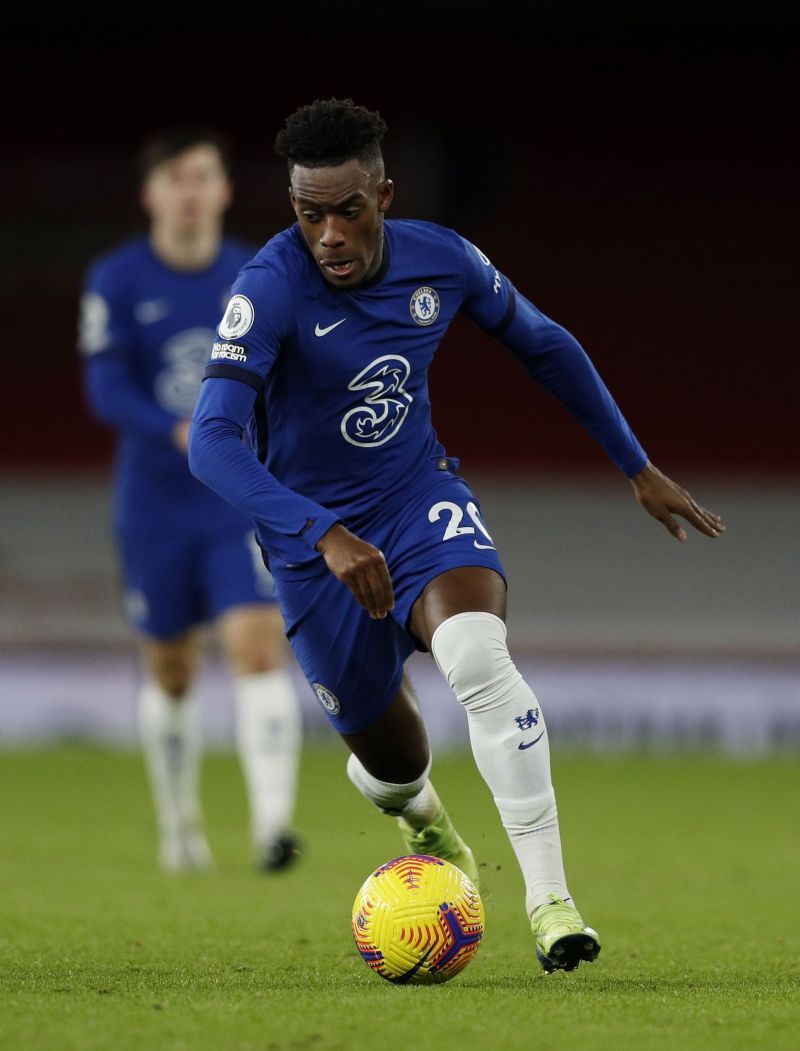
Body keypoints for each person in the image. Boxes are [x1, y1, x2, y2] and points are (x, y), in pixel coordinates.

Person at [188, 99, 725, 972]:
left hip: (414, 500)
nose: (327, 233)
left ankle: (552, 901)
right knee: (391, 762)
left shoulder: (443, 258)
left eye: (346, 210)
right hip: (310, 544)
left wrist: (637, 464)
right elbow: (211, 443)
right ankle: (425, 822)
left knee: (477, 653)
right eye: (307, 213)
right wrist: (322, 532)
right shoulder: (268, 289)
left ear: (385, 196)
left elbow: (545, 343)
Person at [78, 128, 304, 874]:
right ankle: (180, 826)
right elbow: (105, 388)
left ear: (224, 190)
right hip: (154, 505)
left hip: (235, 496)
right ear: (151, 193)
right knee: (172, 668)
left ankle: (274, 826)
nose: (190, 190)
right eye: (176, 177)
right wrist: (176, 430)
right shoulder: (116, 279)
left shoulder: (256, 273)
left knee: (256, 646)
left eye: (203, 176)